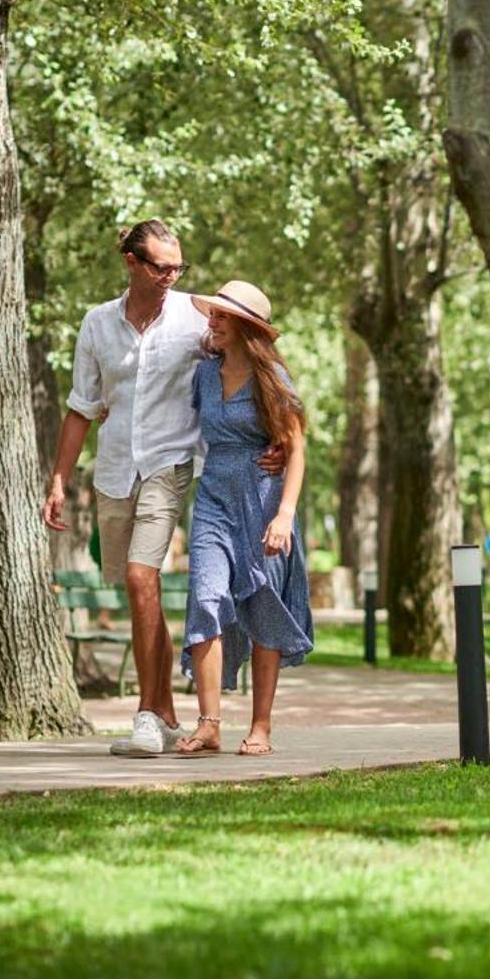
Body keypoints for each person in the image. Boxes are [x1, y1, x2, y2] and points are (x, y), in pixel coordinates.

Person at [41, 221, 280, 757]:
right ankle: (166, 713)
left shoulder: (195, 322)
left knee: (139, 575)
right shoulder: (97, 324)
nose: (172, 276)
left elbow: (249, 360)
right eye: (161, 267)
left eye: (179, 267)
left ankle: (148, 715)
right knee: (137, 592)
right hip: (115, 470)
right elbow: (82, 406)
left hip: (169, 465)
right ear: (131, 262)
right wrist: (58, 480)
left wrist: (282, 437)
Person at [175, 280, 314, 757]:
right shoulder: (204, 376)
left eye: (221, 316)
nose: (211, 321)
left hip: (263, 499)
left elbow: (296, 450)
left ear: (244, 327)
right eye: (211, 314)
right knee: (205, 596)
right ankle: (209, 723)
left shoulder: (272, 379)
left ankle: (261, 726)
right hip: (213, 495)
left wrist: (284, 515)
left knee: (262, 606)